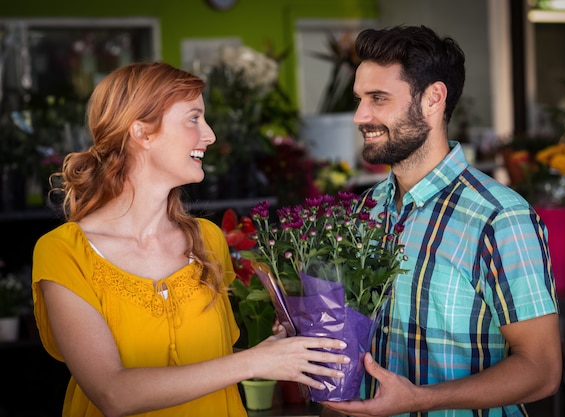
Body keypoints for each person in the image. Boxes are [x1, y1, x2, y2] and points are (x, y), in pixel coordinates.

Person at [31, 61, 349, 417]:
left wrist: (281, 349)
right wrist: (256, 362)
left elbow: (215, 365)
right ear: (141, 132)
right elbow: (112, 393)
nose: (210, 135)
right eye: (194, 118)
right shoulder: (64, 252)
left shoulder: (208, 240)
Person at [323, 25, 562, 417]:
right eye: (359, 99)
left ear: (433, 98)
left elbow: (542, 370)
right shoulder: (365, 211)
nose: (359, 116)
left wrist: (422, 400)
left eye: (378, 98)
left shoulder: (500, 218)